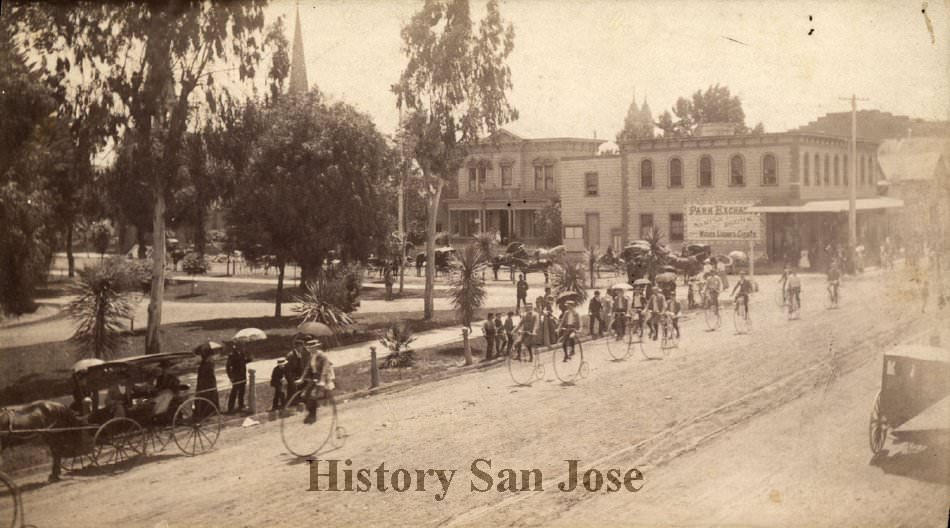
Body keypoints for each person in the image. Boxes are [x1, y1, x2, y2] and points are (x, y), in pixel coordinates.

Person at [297, 337, 332, 424]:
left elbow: (325, 368)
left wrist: (322, 380)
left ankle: (313, 416)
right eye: (309, 348)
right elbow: (308, 368)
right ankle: (311, 413)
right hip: (315, 377)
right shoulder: (312, 356)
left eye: (312, 348)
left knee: (313, 395)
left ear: (316, 347)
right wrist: (301, 378)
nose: (310, 350)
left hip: (323, 378)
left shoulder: (322, 356)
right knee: (304, 395)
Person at [194, 345, 219, 419]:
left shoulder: (206, 364)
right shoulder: (206, 364)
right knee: (206, 399)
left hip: (206, 385)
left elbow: (207, 376)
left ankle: (207, 413)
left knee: (207, 399)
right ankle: (206, 413)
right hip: (205, 385)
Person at [226, 343, 248, 414]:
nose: (239, 349)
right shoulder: (232, 355)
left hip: (242, 375)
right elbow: (228, 367)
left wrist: (248, 356)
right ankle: (230, 407)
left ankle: (241, 405)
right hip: (236, 377)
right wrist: (230, 377)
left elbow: (246, 361)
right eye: (237, 348)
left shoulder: (242, 354)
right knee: (234, 392)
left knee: (242, 391)